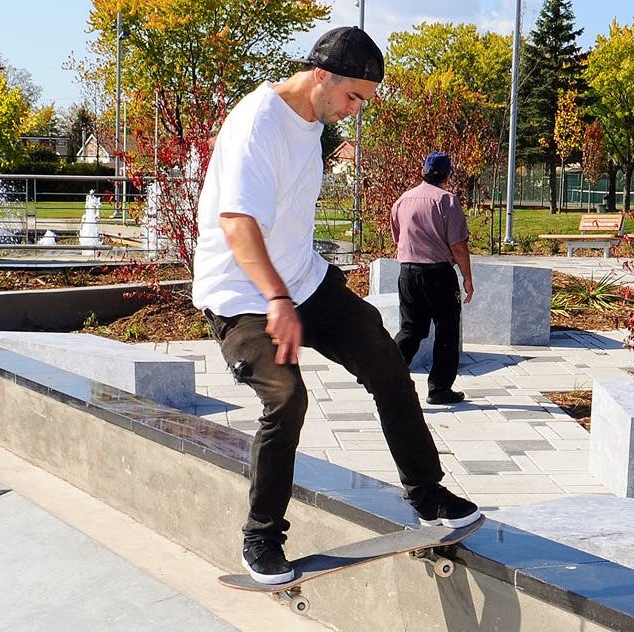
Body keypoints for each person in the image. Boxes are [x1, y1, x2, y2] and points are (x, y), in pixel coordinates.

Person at [191, 26, 480, 586]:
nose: (354, 111)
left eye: (364, 103)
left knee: (387, 363)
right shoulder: (258, 124)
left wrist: (307, 283)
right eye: (353, 97)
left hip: (304, 283)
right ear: (321, 76)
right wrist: (276, 298)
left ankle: (425, 493)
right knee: (286, 397)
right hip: (241, 295)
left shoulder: (313, 124)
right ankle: (260, 537)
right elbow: (237, 223)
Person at [390, 151, 473, 405]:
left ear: (423, 171)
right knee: (446, 330)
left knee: (411, 329)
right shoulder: (447, 201)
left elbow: (397, 236)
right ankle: (439, 389)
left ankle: (387, 377)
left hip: (408, 272)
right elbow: (458, 245)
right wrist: (467, 277)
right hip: (438, 273)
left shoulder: (403, 200)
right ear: (448, 174)